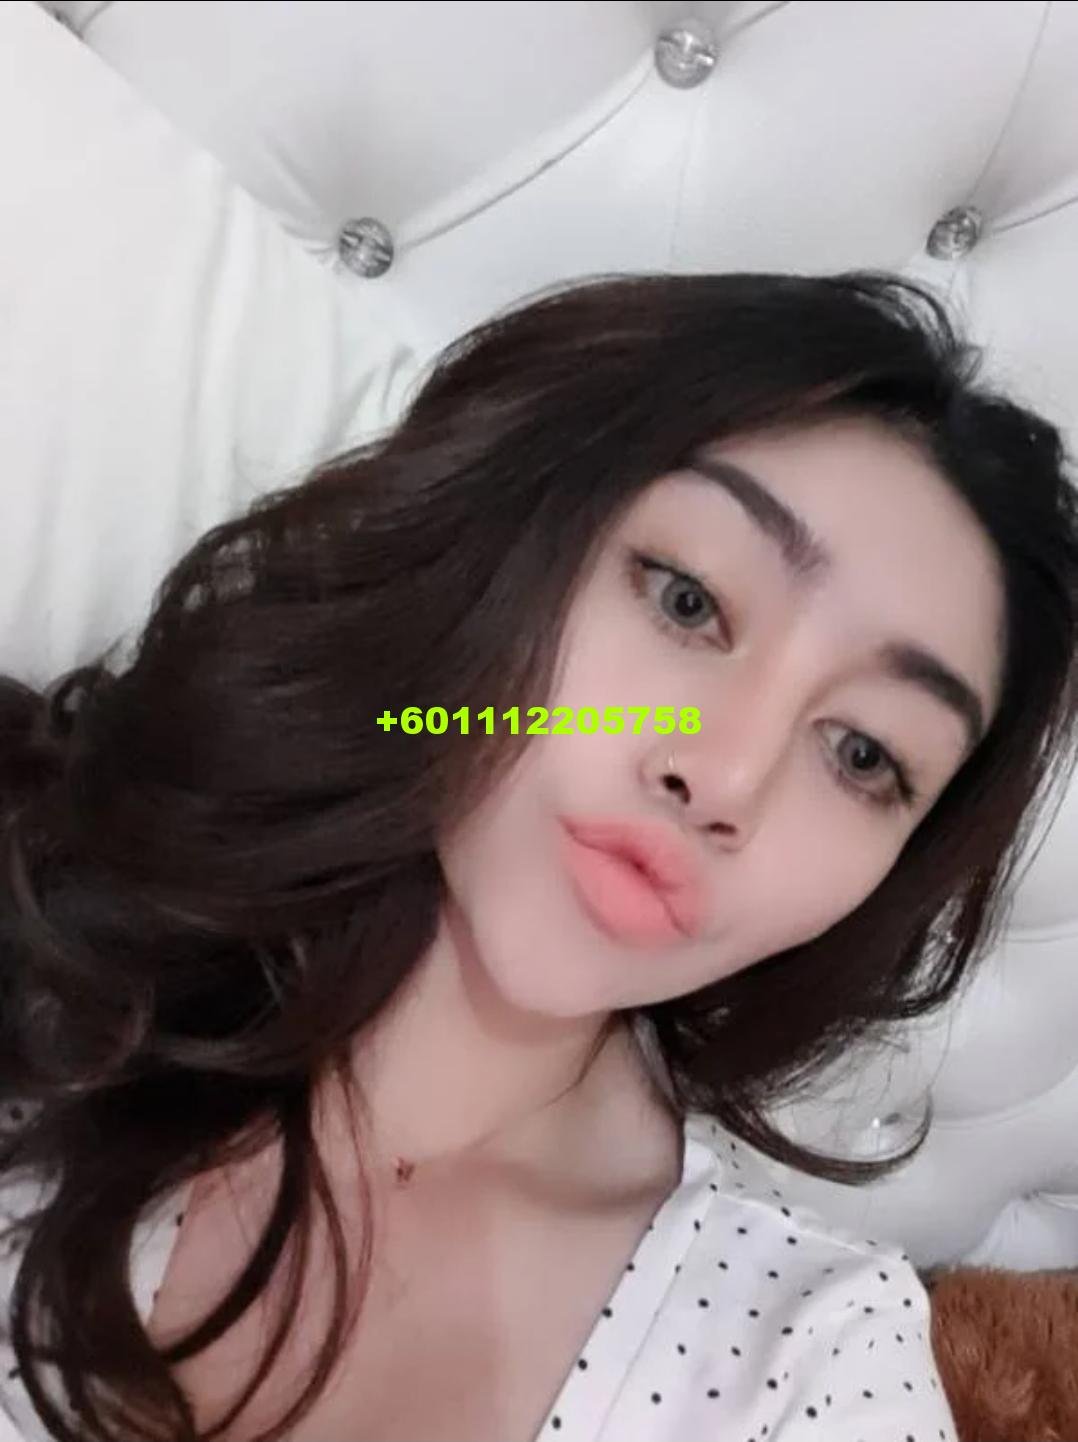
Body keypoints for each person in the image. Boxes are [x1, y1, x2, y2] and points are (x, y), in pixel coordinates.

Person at [0, 269, 1075, 1442]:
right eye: (686, 601)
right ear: (501, 545)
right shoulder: (56, 903)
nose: (720, 777)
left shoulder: (814, 1358)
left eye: (863, 753)